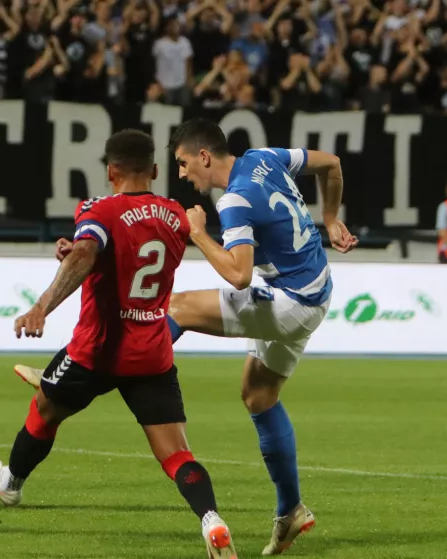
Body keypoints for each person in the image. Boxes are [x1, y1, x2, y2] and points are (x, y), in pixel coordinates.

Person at [0, 129, 239, 559]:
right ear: (157, 170)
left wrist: (41, 306)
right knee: (176, 454)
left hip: (97, 352)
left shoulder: (98, 209)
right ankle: (212, 519)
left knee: (45, 411)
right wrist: (80, 250)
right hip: (151, 353)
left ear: (111, 171)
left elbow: (89, 252)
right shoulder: (176, 215)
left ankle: (9, 482)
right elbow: (121, 249)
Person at [161, 118, 357, 555]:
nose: (181, 173)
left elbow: (238, 273)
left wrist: (197, 233)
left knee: (176, 308)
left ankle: (99, 369)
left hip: (289, 301)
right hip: (316, 290)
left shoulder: (233, 199)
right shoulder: (265, 157)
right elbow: (332, 164)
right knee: (258, 395)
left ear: (204, 157)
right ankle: (290, 511)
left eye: (182, 162)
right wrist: (330, 218)